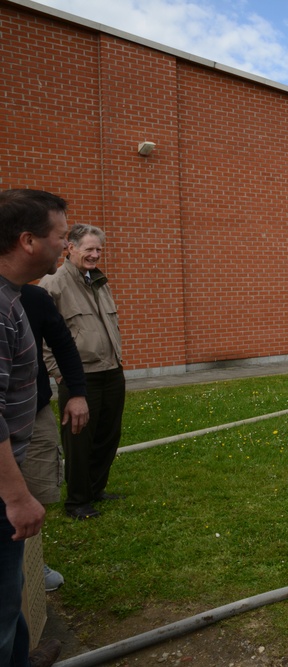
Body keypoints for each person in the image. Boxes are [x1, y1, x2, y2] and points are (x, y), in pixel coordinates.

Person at [0, 188, 70, 667]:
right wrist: (15, 495)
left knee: (10, 598)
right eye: (61, 237)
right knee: (1, 607)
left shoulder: (15, 298)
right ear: (28, 240)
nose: (65, 246)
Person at [39, 224, 126, 520]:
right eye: (89, 248)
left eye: (99, 249)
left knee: (107, 436)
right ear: (70, 247)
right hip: (80, 377)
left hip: (112, 370)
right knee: (79, 440)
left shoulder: (99, 281)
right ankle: (77, 502)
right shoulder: (53, 283)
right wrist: (60, 375)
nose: (95, 254)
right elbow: (42, 338)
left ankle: (95, 488)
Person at [20, 283, 89, 590]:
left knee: (38, 489)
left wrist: (76, 392)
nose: (62, 244)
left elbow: (63, 344)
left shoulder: (35, 297)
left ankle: (32, 561)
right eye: (59, 236)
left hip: (34, 413)